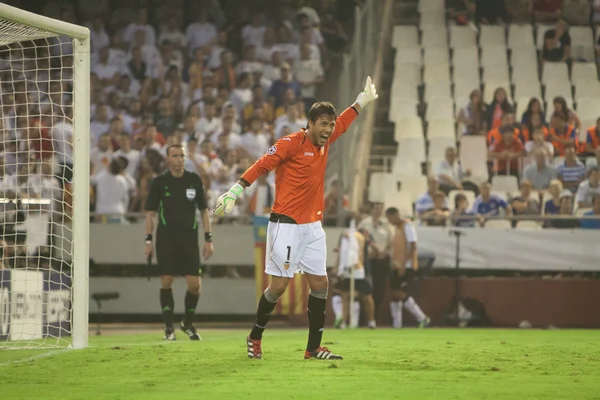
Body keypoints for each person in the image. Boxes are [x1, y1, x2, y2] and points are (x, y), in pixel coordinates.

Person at [213, 77, 378, 360]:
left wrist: (361, 101)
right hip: (285, 224)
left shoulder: (327, 138)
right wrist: (235, 190)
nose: (328, 129)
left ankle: (313, 349)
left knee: (321, 284)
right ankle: (254, 336)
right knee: (278, 287)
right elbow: (261, 165)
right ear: (310, 124)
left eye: (330, 124)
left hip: (313, 226)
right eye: (323, 124)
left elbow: (346, 121)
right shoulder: (290, 143)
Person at [144, 144, 215, 341]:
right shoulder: (160, 182)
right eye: (175, 156)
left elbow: (204, 210)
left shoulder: (193, 180)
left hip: (189, 238)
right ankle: (169, 328)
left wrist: (208, 239)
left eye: (182, 156)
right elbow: (150, 213)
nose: (179, 159)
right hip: (166, 237)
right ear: (167, 159)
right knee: (166, 281)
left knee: (195, 284)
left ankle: (187, 323)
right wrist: (148, 240)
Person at [385, 207, 430, 329]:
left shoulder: (407, 226)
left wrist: (404, 265)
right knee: (394, 294)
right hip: (396, 265)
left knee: (400, 293)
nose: (390, 221)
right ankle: (397, 324)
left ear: (395, 215)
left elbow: (413, 246)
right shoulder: (397, 229)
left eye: (390, 218)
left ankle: (422, 317)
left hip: (406, 265)